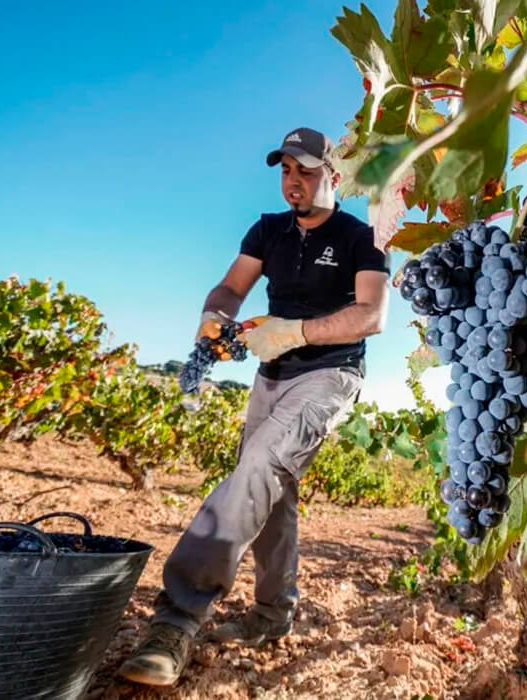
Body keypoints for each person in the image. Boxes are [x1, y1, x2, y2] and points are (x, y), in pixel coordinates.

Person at [117, 127, 390, 687]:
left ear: (333, 176)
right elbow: (229, 288)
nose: (294, 181)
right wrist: (214, 317)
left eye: (306, 171)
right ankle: (271, 616)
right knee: (272, 490)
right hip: (270, 376)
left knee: (259, 466)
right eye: (286, 171)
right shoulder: (267, 231)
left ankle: (179, 617)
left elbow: (371, 315)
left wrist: (296, 333)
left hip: (330, 374)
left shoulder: (364, 237)